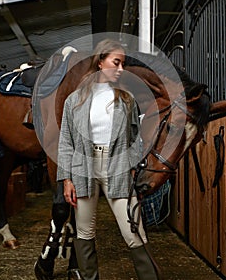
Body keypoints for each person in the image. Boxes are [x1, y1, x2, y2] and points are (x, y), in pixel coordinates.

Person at [57, 39, 159, 280]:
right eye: (117, 62)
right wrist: (66, 179)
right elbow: (66, 142)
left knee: (133, 230)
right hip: (84, 168)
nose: (121, 68)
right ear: (101, 62)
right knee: (84, 232)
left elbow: (136, 138)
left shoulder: (127, 99)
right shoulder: (75, 100)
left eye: (123, 63)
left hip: (119, 168)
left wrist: (133, 168)